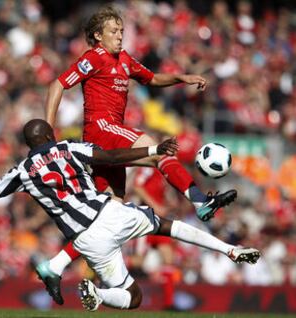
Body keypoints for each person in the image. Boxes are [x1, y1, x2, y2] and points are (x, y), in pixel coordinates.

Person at [0, 119, 260, 311]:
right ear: (50, 135)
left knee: (132, 296)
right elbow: (109, 158)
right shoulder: (68, 147)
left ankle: (87, 285)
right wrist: (153, 150)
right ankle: (228, 248)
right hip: (109, 214)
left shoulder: (22, 170)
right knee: (166, 226)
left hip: (87, 241)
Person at [38, 5, 237, 303]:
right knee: (159, 150)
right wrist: (48, 133)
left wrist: (182, 77)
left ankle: (54, 266)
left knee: (108, 216)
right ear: (97, 36)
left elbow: (153, 79)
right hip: (102, 130)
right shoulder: (93, 58)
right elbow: (57, 84)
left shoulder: (125, 60)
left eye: (121, 30)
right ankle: (200, 202)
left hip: (110, 140)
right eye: (114, 31)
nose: (120, 35)